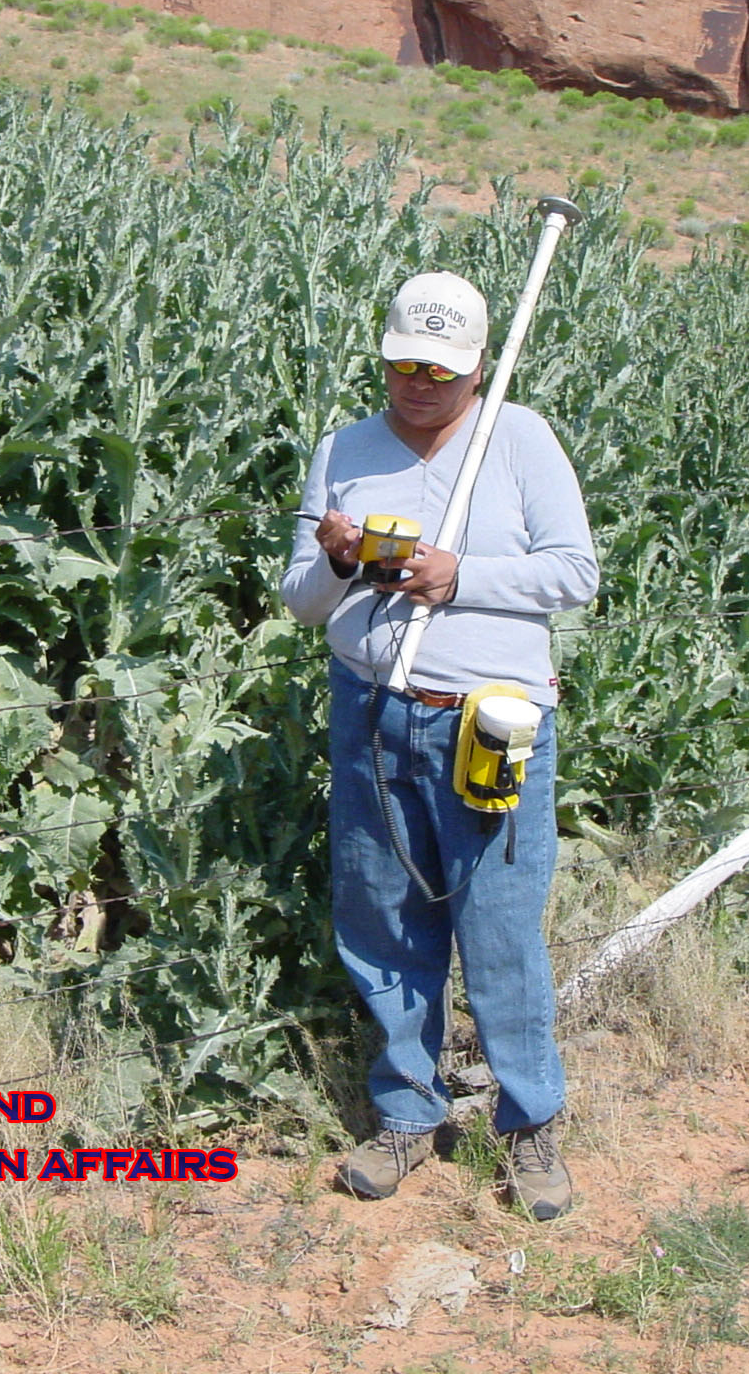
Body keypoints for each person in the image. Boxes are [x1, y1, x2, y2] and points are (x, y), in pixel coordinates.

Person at [279, 269, 598, 1219]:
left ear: (479, 367)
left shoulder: (521, 438)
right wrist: (338, 562)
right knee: (381, 918)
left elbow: (574, 572)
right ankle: (408, 1116)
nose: (420, 383)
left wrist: (460, 578)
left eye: (441, 368)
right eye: (403, 364)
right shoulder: (345, 448)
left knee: (499, 926)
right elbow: (300, 600)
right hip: (372, 709)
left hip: (489, 720)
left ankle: (529, 1126)